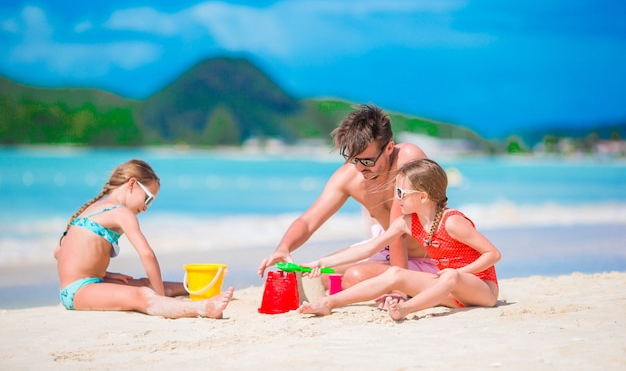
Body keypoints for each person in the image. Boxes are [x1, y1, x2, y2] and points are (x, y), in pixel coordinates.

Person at [297, 158, 501, 321]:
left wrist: (458, 272)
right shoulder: (407, 222)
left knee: (450, 277)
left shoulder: (452, 222)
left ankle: (405, 309)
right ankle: (329, 303)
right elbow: (368, 249)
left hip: (482, 289)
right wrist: (321, 263)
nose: (397, 198)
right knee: (395, 273)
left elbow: (493, 254)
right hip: (447, 291)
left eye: (401, 192)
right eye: (396, 191)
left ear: (422, 197)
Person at [258, 104, 435, 289]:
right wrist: (284, 247)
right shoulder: (349, 176)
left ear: (389, 147)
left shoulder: (409, 158)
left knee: (355, 276)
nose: (360, 168)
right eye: (353, 159)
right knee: (310, 276)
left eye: (367, 161)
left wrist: (399, 287)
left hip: (429, 257)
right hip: (385, 249)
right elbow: (308, 221)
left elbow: (399, 233)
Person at [54, 159, 233, 318]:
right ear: (132, 184)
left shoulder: (93, 208)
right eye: (148, 199)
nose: (146, 208)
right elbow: (146, 254)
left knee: (145, 283)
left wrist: (103, 273)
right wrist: (161, 299)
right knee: (143, 295)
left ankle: (200, 290)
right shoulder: (120, 212)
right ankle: (203, 307)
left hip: (85, 283)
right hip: (78, 291)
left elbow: (59, 252)